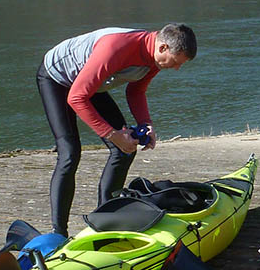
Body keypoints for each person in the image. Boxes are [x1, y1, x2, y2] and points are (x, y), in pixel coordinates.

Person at [36, 24, 196, 236]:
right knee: (70, 153)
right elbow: (76, 97)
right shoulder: (116, 48)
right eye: (176, 62)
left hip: (91, 83)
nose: (176, 68)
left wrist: (145, 124)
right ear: (163, 47)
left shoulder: (156, 59)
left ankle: (106, 219)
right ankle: (58, 232)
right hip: (57, 79)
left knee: (124, 150)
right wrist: (112, 135)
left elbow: (136, 90)